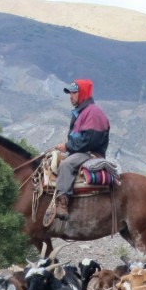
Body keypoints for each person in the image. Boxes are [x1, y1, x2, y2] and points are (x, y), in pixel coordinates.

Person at [49, 78, 110, 222]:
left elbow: (89, 140)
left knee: (66, 165)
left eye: (74, 93)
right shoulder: (81, 112)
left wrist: (67, 146)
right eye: (70, 93)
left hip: (91, 153)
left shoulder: (93, 113)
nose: (71, 96)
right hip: (80, 151)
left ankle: (62, 203)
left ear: (82, 93)